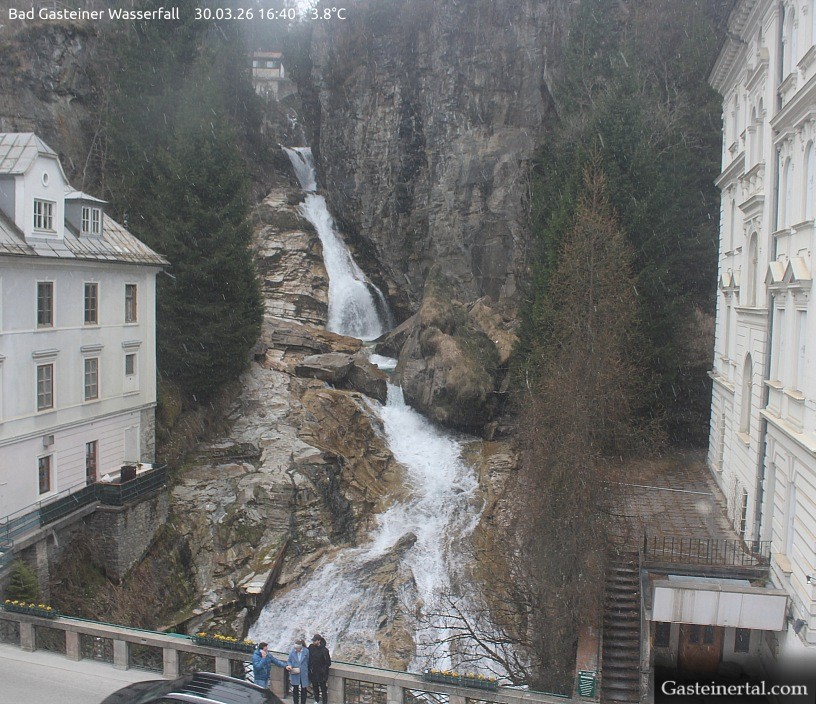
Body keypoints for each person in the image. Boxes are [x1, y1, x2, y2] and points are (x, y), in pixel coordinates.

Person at [308, 634, 331, 704]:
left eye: (315, 640)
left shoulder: (324, 650)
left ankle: (324, 702)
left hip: (321, 674)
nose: (313, 642)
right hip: (313, 672)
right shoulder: (311, 647)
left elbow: (328, 662)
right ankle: (316, 700)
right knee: (315, 687)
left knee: (323, 689)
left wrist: (323, 670)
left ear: (319, 641)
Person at [286, 639, 310, 704]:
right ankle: (295, 702)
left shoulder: (306, 651)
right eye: (295, 648)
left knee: (304, 689)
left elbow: (308, 661)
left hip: (303, 673)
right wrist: (290, 665)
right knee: (295, 689)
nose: (295, 649)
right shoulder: (292, 652)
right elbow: (289, 661)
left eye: (297, 648)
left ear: (300, 648)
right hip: (295, 672)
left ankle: (303, 702)